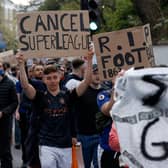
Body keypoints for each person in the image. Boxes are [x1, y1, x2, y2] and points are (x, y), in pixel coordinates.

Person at [16, 48, 93, 168]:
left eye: (54, 77)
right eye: (49, 78)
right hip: (46, 145)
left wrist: (89, 59)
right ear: (44, 80)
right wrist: (21, 64)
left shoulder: (68, 95)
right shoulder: (39, 97)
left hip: (66, 145)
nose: (52, 81)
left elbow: (86, 82)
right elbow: (25, 86)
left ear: (59, 78)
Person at [0, 59, 18, 168]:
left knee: (4, 151)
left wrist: (3, 112)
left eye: (0, 66)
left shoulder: (10, 83)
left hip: (4, 122)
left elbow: (14, 102)